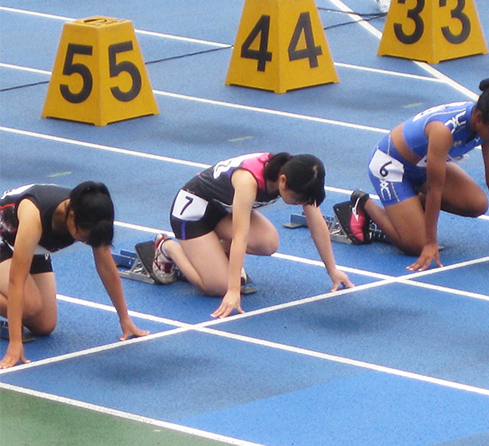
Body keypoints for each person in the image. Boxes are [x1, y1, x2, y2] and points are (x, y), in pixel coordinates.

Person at [335, 78, 489, 271]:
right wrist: (430, 242)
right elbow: (434, 189)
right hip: (392, 167)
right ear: (479, 117)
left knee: (477, 204)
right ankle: (364, 204)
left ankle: (406, 209)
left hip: (423, 165)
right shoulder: (444, 130)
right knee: (416, 245)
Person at [151, 152, 353, 319]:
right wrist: (232, 291)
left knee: (268, 243)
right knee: (217, 287)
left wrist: (332, 269)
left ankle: (210, 254)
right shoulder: (248, 181)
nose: (297, 203)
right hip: (192, 215)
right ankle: (168, 247)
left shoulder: (297, 175)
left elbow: (316, 223)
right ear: (283, 181)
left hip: (223, 211)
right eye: (296, 199)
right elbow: (241, 237)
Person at [0, 182, 149, 369]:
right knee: (30, 306)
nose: (86, 242)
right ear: (71, 217)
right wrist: (15, 343)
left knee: (45, 325)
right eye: (84, 238)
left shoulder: (92, 215)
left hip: (33, 247)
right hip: (5, 238)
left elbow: (107, 267)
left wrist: (124, 318)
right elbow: (16, 280)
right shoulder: (34, 215)